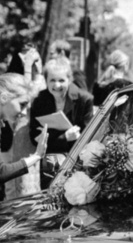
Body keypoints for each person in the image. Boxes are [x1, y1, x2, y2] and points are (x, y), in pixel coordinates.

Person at [30, 57, 94, 189]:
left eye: (61, 80)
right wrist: (64, 137)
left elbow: (88, 136)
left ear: (69, 80)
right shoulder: (39, 100)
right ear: (46, 81)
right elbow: (34, 137)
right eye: (52, 80)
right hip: (49, 164)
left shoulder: (85, 100)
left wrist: (55, 137)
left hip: (77, 161)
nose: (57, 85)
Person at [0, 74, 40, 203]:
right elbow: (0, 172)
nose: (23, 113)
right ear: (4, 98)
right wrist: (36, 156)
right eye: (22, 105)